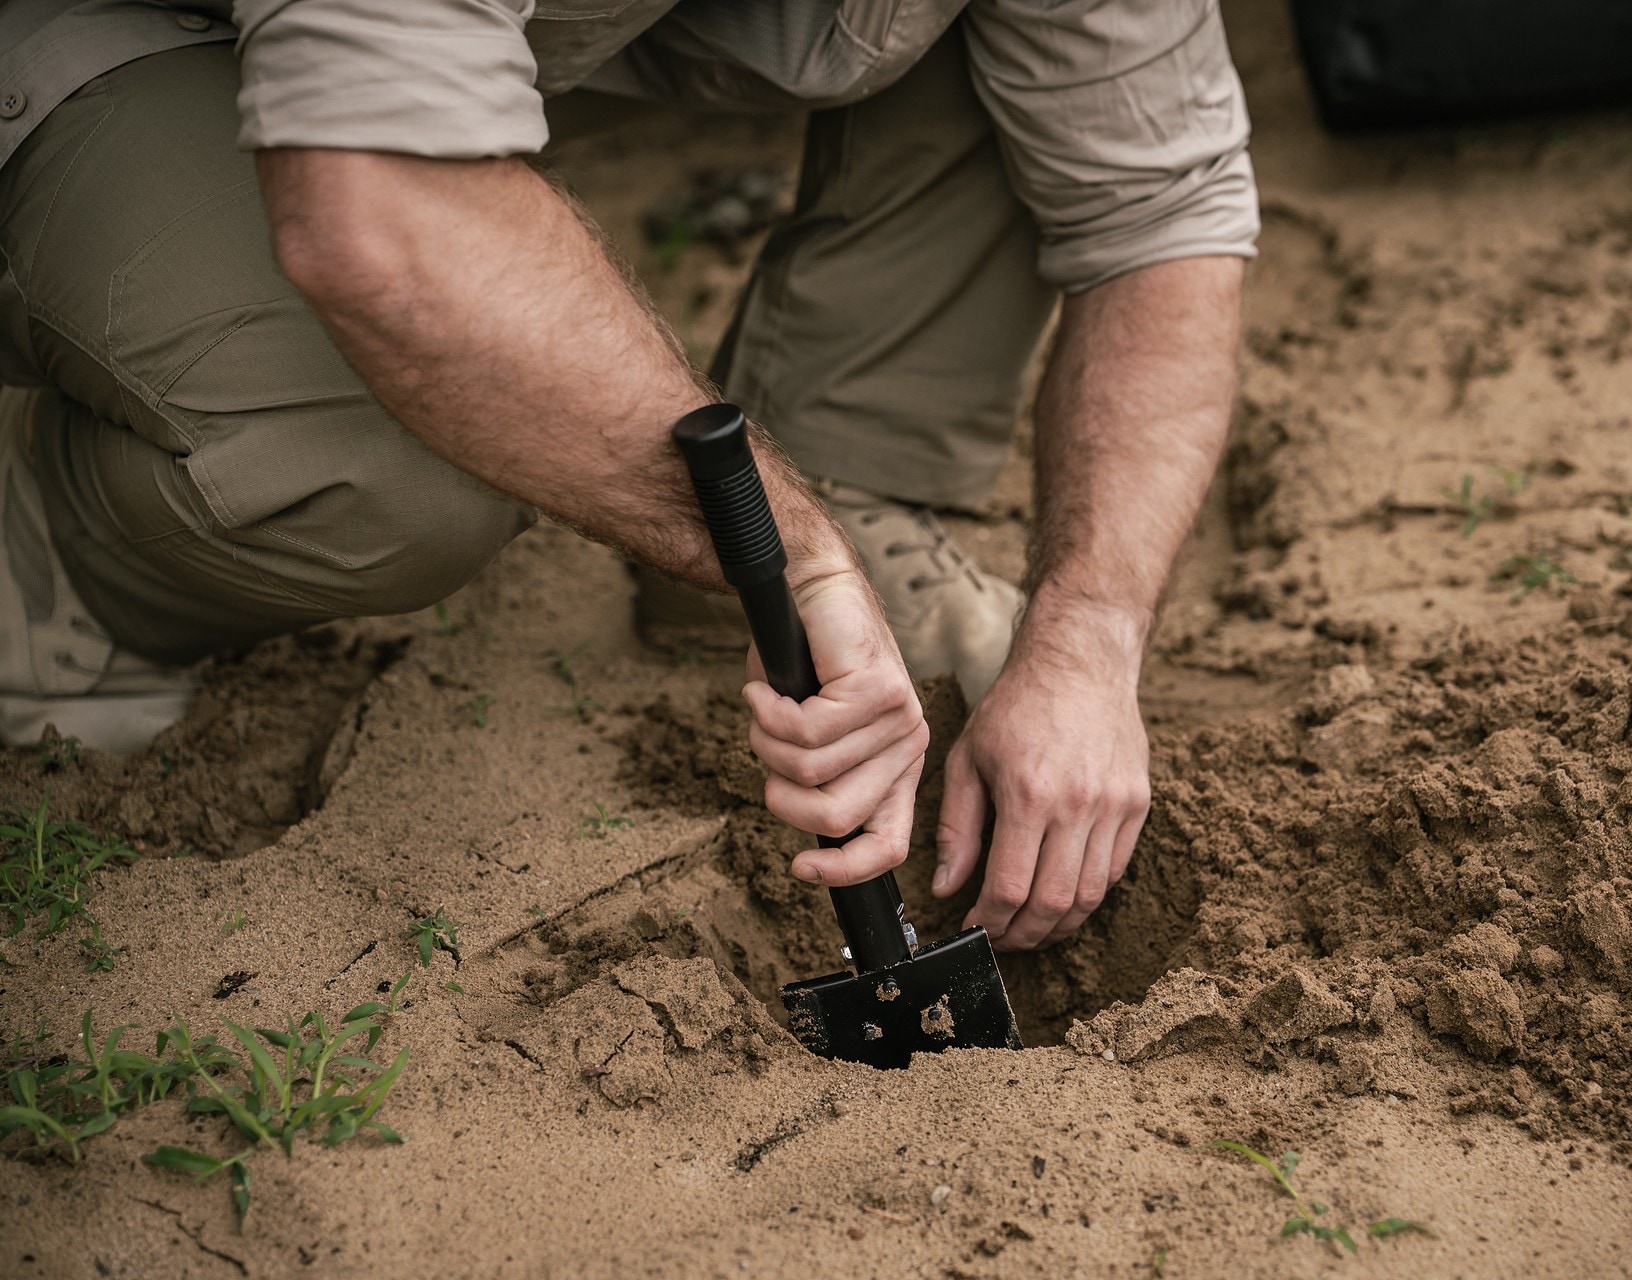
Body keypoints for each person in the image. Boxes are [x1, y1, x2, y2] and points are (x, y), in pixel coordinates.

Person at [0, 0, 1256, 951]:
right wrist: (781, 540)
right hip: (132, 32)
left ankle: (851, 490)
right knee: (390, 472)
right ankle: (65, 572)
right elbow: (375, 217)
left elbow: (1164, 208)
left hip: (502, 44)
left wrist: (1085, 639)